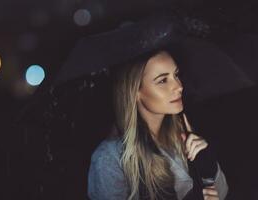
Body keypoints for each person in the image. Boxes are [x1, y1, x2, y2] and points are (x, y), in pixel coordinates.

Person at [87, 48, 228, 200]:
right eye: (162, 80)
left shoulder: (182, 136)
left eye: (176, 75)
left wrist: (206, 162)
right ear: (135, 92)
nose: (179, 86)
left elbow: (222, 192)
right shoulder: (110, 158)